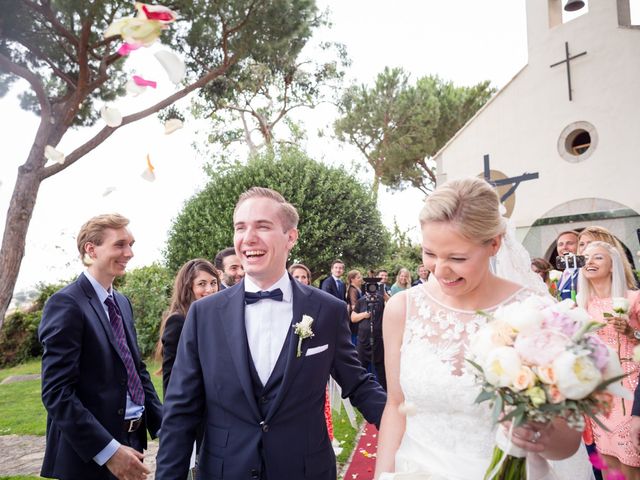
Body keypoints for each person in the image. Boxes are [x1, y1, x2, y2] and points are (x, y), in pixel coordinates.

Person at [155, 187, 386, 479]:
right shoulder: (204, 315)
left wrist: (409, 429)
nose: (248, 238)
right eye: (241, 228)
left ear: (290, 237)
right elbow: (180, 412)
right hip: (225, 471)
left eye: (262, 226)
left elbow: (358, 384)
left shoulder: (327, 310)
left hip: (304, 470)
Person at [374, 178, 592, 480]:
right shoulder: (402, 309)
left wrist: (540, 434)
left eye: (457, 258)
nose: (440, 269)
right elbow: (396, 404)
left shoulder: (533, 313)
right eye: (429, 253)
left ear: (494, 243)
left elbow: (567, 445)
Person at [38, 213, 163, 480]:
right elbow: (56, 392)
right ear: (91, 249)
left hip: (132, 442)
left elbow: (136, 371)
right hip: (89, 460)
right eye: (119, 244)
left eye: (131, 244)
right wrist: (108, 452)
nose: (129, 252)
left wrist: (165, 426)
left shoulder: (122, 302)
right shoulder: (66, 304)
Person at [577, 241, 640, 478]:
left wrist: (630, 332)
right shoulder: (582, 306)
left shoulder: (634, 299)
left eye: (598, 257)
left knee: (632, 466)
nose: (590, 262)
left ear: (613, 265)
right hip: (600, 397)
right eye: (586, 257)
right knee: (608, 469)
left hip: (630, 393)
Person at [156, 258, 219, 397]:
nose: (210, 289)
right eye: (202, 284)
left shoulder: (216, 317)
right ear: (188, 288)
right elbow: (171, 379)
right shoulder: (178, 321)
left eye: (213, 283)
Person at [351, 286, 386, 390]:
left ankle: (384, 391)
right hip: (363, 340)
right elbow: (353, 318)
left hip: (378, 339)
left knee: (381, 368)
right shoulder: (361, 301)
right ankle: (359, 391)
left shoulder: (380, 300)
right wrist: (364, 315)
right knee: (360, 367)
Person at [556, 230, 581, 301]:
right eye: (560, 244)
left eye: (569, 243)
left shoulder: (583, 272)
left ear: (580, 245)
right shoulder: (563, 274)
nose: (564, 247)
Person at [345, 269, 364, 345]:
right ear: (352, 279)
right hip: (354, 318)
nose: (361, 279)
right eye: (358, 277)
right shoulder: (352, 289)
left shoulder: (357, 288)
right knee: (354, 339)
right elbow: (354, 306)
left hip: (358, 316)